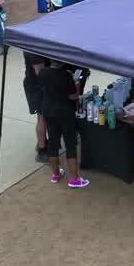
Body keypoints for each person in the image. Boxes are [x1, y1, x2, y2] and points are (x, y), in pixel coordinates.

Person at [40, 60, 89, 188]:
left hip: (48, 111)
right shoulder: (66, 75)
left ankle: (55, 174)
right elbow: (73, 96)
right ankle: (74, 179)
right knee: (70, 144)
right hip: (64, 112)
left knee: (53, 143)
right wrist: (77, 84)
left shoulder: (43, 72)